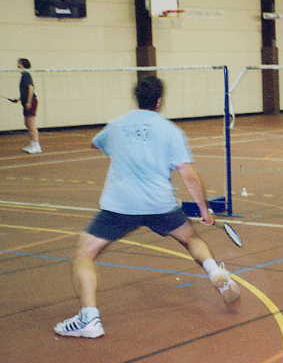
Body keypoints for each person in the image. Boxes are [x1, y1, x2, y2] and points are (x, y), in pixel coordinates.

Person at [54, 76, 239, 338]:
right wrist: (204, 210)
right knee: (190, 239)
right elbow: (189, 174)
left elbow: (95, 143)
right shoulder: (170, 131)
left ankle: (89, 319)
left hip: (120, 205)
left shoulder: (116, 126)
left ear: (137, 98)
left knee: (84, 253)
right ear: (159, 101)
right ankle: (214, 270)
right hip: (160, 204)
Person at [18, 58, 42, 153]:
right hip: (26, 102)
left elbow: (31, 88)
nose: (17, 64)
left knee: (31, 125)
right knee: (27, 123)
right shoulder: (23, 75)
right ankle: (32, 144)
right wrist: (19, 99)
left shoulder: (26, 75)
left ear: (22, 64)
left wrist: (28, 101)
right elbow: (25, 90)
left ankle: (37, 146)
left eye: (18, 62)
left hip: (30, 102)